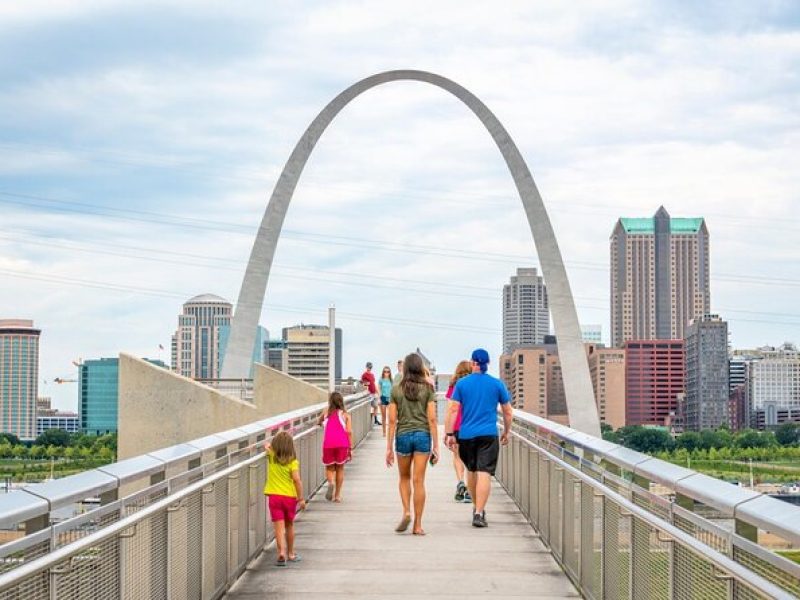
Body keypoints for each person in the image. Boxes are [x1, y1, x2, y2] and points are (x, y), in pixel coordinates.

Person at [445, 348, 512, 528]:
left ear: (473, 363)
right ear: (487, 364)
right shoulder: (497, 384)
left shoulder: (462, 384)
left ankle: (476, 506)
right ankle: (478, 512)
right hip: (488, 434)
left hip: (466, 435)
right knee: (485, 473)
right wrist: (506, 431)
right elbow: (507, 412)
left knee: (472, 471)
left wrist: (450, 434)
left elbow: (452, 409)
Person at [385, 352, 439, 535]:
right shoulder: (428, 389)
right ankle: (417, 525)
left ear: (405, 368)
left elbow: (392, 421)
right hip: (423, 436)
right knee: (419, 481)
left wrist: (388, 449)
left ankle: (406, 511)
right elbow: (432, 419)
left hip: (403, 436)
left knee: (404, 478)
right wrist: (436, 446)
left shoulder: (396, 390)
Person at [264, 431, 306, 566]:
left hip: (274, 497)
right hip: (289, 497)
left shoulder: (271, 456)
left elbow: (266, 446)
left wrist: (271, 447)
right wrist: (301, 498)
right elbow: (297, 480)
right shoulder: (293, 461)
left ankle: (281, 552)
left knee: (278, 527)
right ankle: (291, 553)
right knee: (289, 525)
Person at [444, 359, 473, 502]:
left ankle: (461, 482)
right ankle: (468, 488)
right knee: (470, 458)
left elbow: (450, 409)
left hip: (456, 426)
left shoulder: (453, 385)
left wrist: (447, 431)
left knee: (457, 456)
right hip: (471, 426)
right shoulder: (474, 384)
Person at [318, 391, 353, 502]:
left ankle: (331, 482)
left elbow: (319, 421)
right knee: (340, 468)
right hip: (342, 444)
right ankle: (337, 495)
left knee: (329, 468)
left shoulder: (326, 412)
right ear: (341, 402)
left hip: (328, 444)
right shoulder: (345, 415)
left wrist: (320, 423)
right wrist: (350, 448)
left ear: (330, 402)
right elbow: (348, 432)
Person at [378, 366, 393, 437]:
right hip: (383, 398)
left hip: (390, 398)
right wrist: (379, 398)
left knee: (390, 416)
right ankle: (384, 432)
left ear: (390, 373)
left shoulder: (391, 380)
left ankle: (390, 431)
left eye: (388, 372)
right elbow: (379, 389)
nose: (386, 373)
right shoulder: (381, 380)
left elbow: (393, 390)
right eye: (385, 371)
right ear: (383, 372)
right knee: (383, 416)